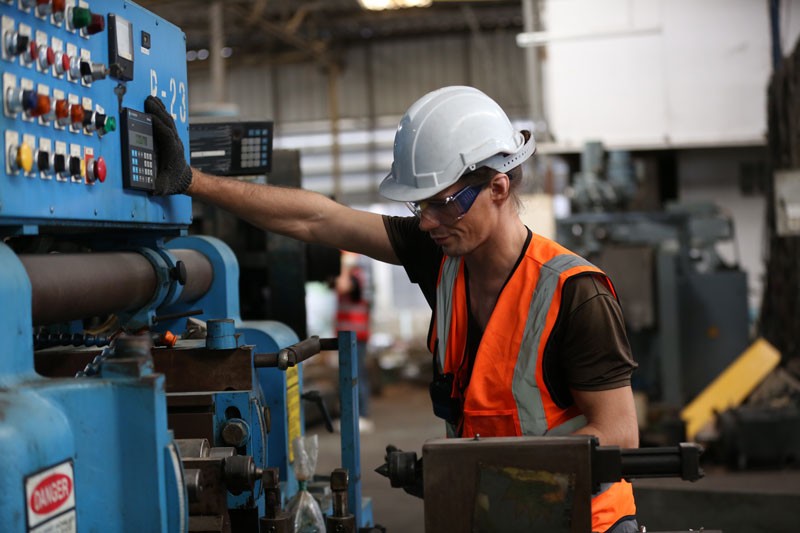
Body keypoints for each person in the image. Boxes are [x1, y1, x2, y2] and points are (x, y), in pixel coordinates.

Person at [145, 86, 640, 533]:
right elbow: (318, 219)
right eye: (418, 206)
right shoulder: (443, 255)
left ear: (498, 188)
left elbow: (619, 436)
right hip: (496, 514)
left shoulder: (576, 293)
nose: (426, 223)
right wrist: (192, 181)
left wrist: (483, 474)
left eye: (442, 203)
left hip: (584, 522)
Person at [334, 251, 374, 431]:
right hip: (347, 334)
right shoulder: (353, 276)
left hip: (356, 335)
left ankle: (362, 415)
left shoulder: (357, 278)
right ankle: (351, 415)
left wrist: (344, 267)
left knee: (356, 374)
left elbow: (342, 286)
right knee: (348, 374)